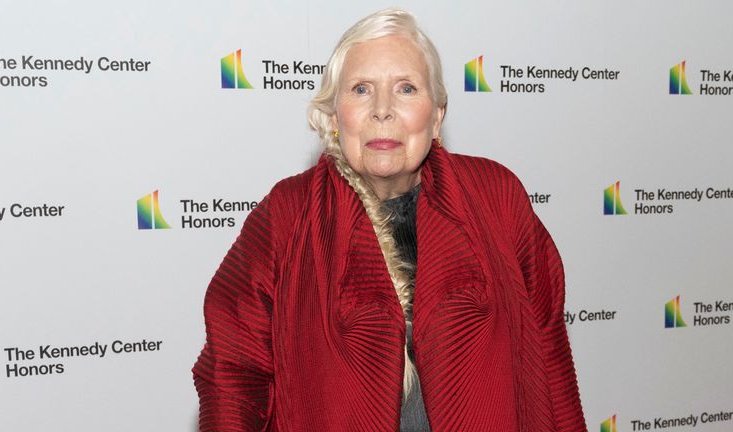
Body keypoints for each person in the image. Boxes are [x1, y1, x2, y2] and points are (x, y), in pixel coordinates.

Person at [193, 8, 585, 432]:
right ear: (334, 115)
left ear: (436, 116)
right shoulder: (286, 215)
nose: (383, 109)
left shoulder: (498, 197)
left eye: (406, 88)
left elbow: (549, 354)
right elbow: (231, 374)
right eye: (361, 89)